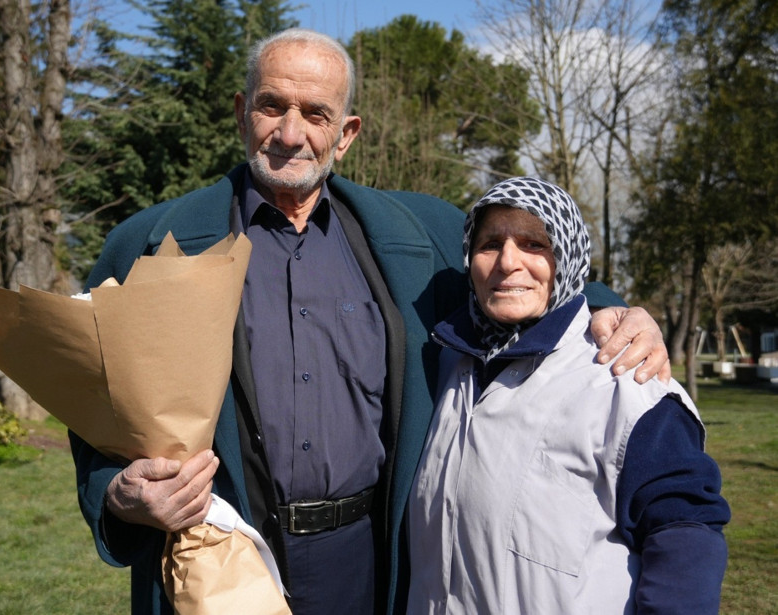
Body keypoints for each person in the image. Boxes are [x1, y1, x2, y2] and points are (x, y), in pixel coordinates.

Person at [71, 30, 670, 615]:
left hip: (372, 556)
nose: (289, 133)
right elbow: (94, 406)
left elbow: (519, 267)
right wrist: (118, 495)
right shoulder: (145, 245)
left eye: (316, 113)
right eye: (271, 106)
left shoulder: (416, 232)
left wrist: (611, 306)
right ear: (240, 111)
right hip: (217, 554)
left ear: (346, 134)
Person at [406, 177, 730, 614]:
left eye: (534, 244)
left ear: (569, 256)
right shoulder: (450, 365)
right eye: (489, 245)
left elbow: (685, 534)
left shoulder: (625, 380)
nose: (508, 262)